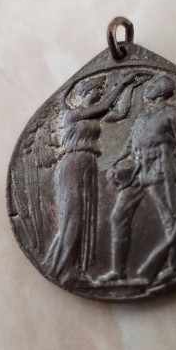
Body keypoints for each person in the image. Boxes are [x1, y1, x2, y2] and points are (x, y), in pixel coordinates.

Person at [97, 76, 176, 284]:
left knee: (170, 218)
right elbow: (129, 145)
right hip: (137, 169)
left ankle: (174, 268)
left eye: (152, 86)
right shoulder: (143, 116)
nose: (148, 88)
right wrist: (112, 162)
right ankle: (118, 271)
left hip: (160, 167)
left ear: (161, 91)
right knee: (118, 217)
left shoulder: (173, 113)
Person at [46, 71, 139, 282]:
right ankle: (63, 268)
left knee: (84, 216)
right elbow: (105, 106)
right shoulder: (74, 114)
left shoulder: (94, 116)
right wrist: (121, 83)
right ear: (88, 91)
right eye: (99, 89)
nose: (101, 92)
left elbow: (121, 112)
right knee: (74, 216)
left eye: (102, 90)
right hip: (73, 163)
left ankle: (74, 268)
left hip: (88, 163)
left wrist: (131, 88)